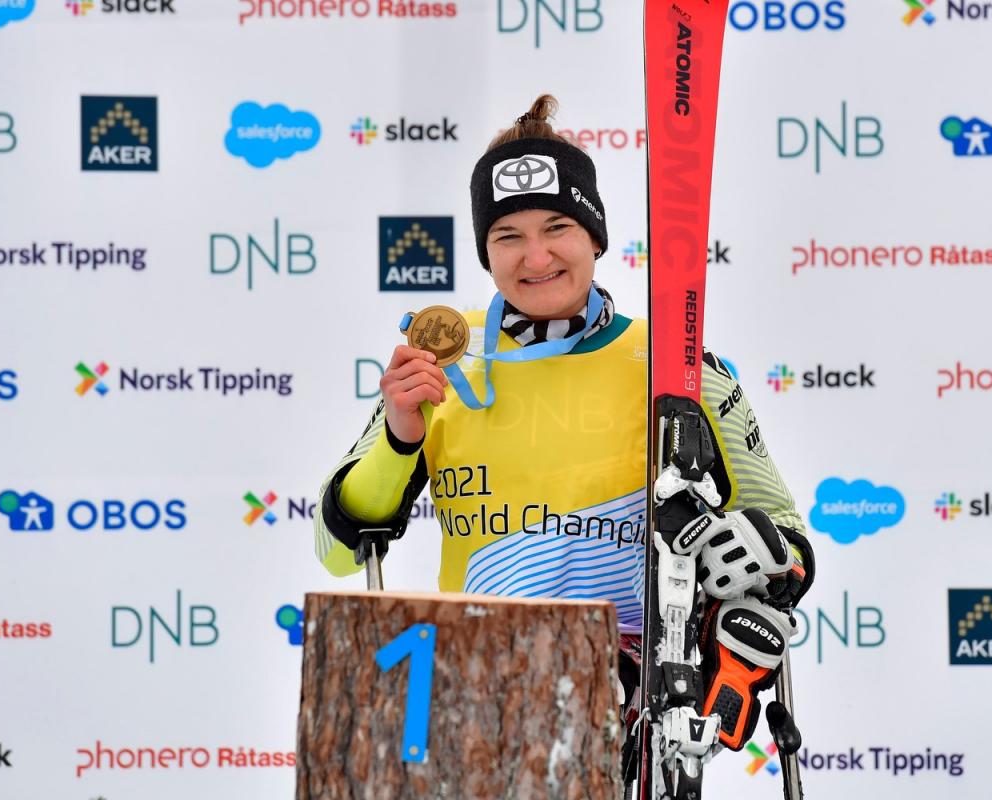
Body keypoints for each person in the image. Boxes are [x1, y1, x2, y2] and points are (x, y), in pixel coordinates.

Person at [313, 94, 815, 770]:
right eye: (508, 236)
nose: (537, 256)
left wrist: (766, 553)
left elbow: (790, 545)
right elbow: (340, 549)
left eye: (558, 227)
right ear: (487, 252)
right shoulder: (443, 361)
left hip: (627, 705)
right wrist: (401, 437)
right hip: (473, 690)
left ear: (596, 237)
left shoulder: (677, 366)